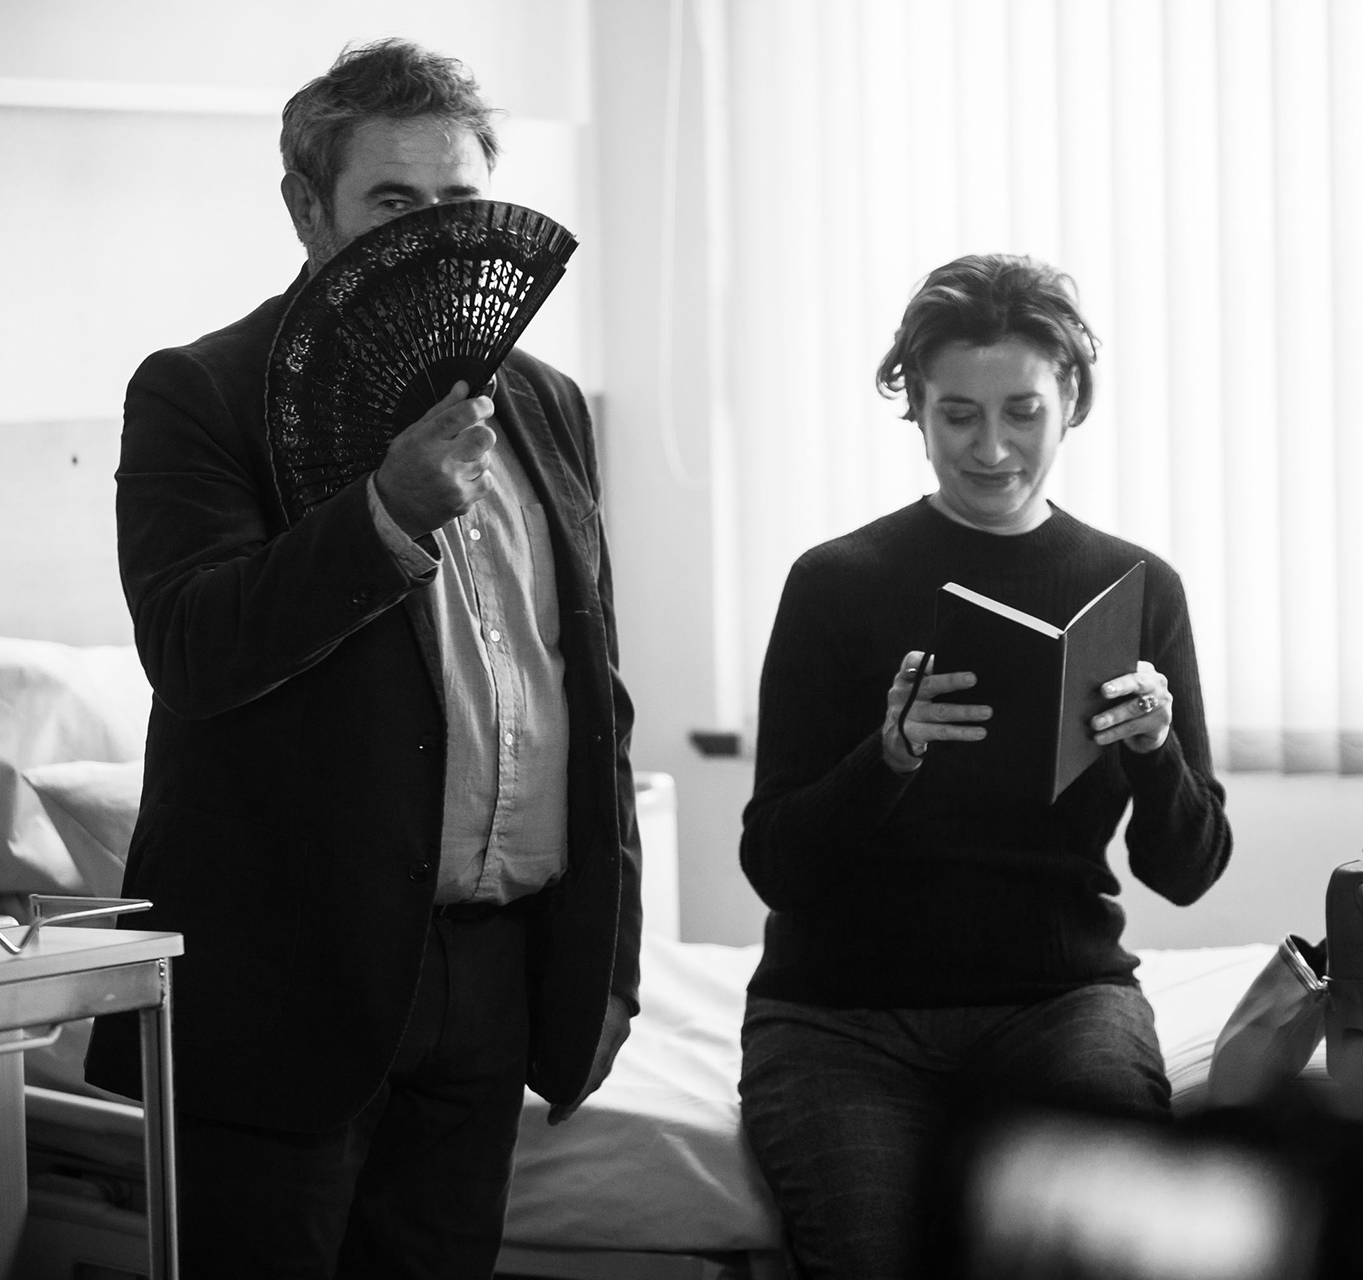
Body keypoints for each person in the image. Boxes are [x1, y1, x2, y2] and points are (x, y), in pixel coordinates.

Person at [81, 40, 641, 1278]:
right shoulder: (201, 392)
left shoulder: (548, 400)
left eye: (458, 202)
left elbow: (591, 690)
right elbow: (194, 646)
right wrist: (384, 513)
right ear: (307, 209)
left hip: (495, 965)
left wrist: (606, 961)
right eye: (393, 203)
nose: (435, 238)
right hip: (289, 979)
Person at [737, 254, 1233, 1279]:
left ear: (1072, 402)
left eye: (1023, 412)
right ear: (916, 410)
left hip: (1057, 1001)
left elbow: (1188, 869)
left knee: (1105, 1250)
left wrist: (1154, 750)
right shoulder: (835, 583)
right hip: (842, 1018)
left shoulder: (1137, 586)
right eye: (958, 414)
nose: (993, 447)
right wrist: (887, 756)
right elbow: (775, 864)